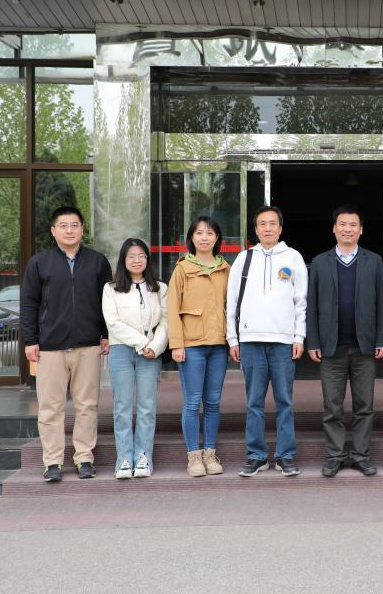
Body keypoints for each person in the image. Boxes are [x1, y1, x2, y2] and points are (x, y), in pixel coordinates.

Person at [21, 206, 112, 483]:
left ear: (83, 229)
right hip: (50, 347)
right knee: (50, 407)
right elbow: (29, 303)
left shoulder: (97, 262)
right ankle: (52, 461)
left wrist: (105, 334)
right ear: (53, 230)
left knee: (87, 405)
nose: (69, 230)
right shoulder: (39, 262)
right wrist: (30, 340)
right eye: (63, 225)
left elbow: (107, 302)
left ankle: (84, 457)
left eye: (74, 225)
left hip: (88, 345)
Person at [306, 205, 383, 478]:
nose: (347, 229)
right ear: (334, 228)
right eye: (342, 224)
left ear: (361, 230)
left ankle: (361, 456)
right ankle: (335, 456)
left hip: (364, 347)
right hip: (331, 348)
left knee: (364, 406)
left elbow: (382, 304)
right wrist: (313, 341)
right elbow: (311, 306)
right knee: (332, 407)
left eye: (353, 225)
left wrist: (382, 339)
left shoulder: (374, 261)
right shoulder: (320, 262)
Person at [227, 206, 308, 478]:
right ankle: (256, 456)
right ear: (256, 229)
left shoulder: (293, 257)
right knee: (254, 402)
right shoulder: (244, 258)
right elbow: (231, 302)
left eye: (273, 223)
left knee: (285, 401)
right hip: (250, 340)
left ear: (281, 228)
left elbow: (301, 302)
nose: (268, 228)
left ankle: (286, 456)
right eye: (262, 224)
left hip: (283, 341)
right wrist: (232, 338)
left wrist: (299, 337)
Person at [168, 216, 231, 478]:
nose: (204, 237)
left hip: (219, 345)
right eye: (199, 233)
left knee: (213, 402)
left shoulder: (226, 268)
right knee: (193, 402)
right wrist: (176, 344)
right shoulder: (182, 269)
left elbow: (232, 306)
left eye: (210, 233)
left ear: (217, 238)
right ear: (191, 238)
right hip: (192, 345)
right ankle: (194, 456)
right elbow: (172, 308)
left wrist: (233, 340)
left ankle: (210, 453)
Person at [102, 238, 169, 479]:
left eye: (141, 255)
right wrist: (142, 343)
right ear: (123, 260)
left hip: (151, 352)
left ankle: (143, 457)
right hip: (122, 350)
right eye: (131, 256)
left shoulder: (159, 288)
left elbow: (166, 321)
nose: (137, 260)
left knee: (147, 407)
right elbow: (112, 323)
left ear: (147, 259)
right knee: (122, 406)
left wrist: (156, 346)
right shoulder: (111, 288)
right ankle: (124, 458)